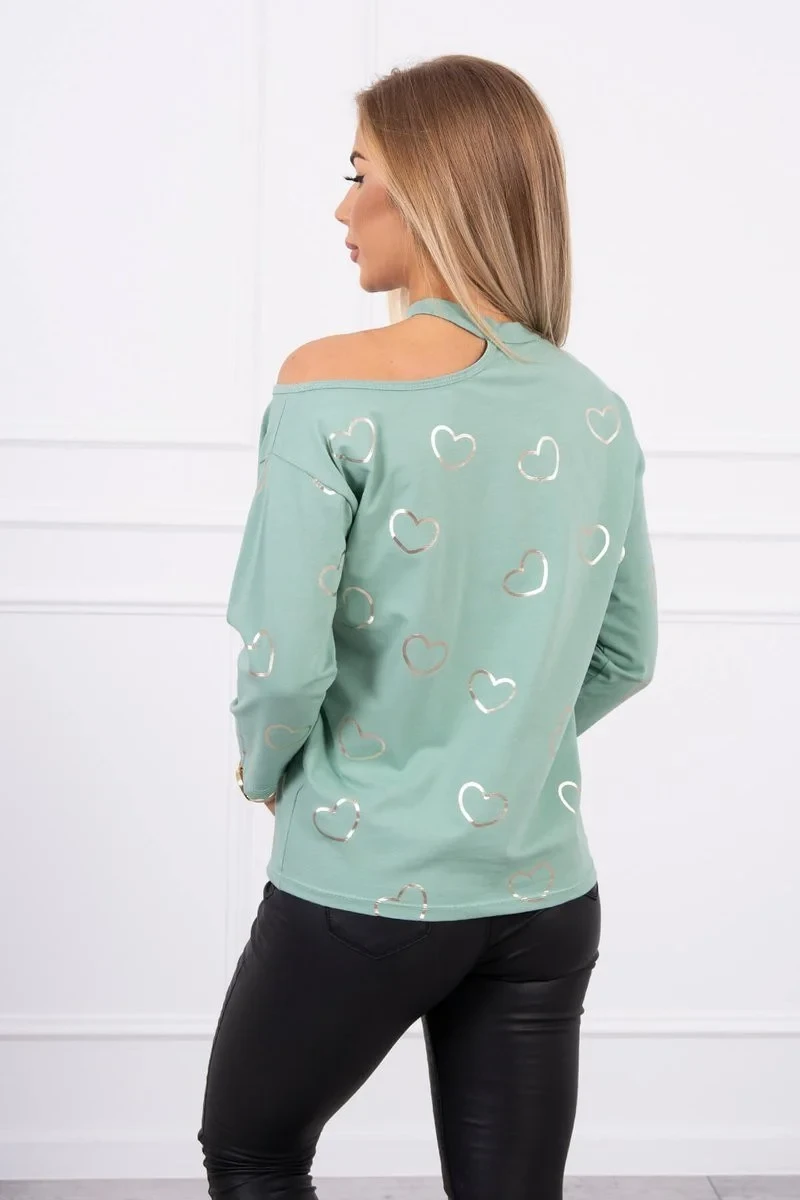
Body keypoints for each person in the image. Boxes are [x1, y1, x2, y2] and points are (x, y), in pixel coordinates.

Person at [197, 52, 658, 1200]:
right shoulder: (591, 408)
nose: (340, 209)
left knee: (253, 1151)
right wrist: (493, 753)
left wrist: (266, 767)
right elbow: (625, 654)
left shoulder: (327, 384)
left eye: (359, 176)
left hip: (365, 887)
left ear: (431, 190)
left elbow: (283, 658)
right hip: (543, 897)